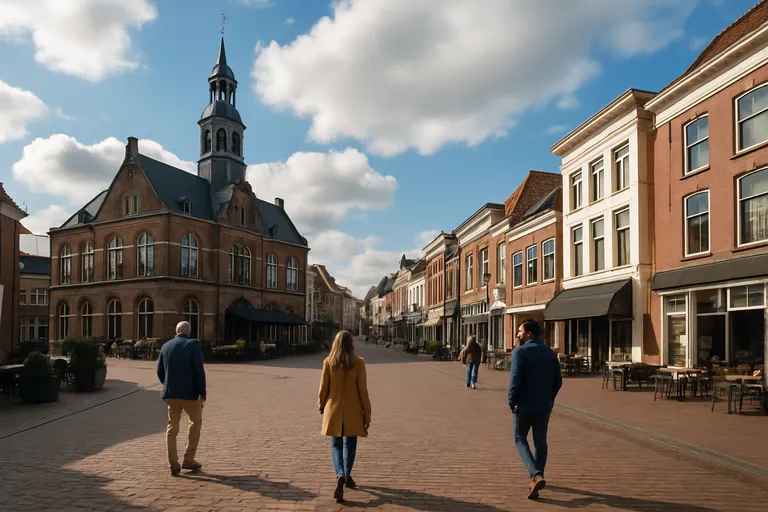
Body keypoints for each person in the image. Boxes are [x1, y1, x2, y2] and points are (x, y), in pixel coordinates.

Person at [508, 319, 562, 500]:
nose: (517, 335)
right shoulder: (549, 353)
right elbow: (558, 381)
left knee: (519, 439)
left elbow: (515, 379)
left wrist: (511, 400)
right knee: (541, 441)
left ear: (529, 333)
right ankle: (537, 480)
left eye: (520, 331)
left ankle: (535, 474)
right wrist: (550, 399)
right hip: (543, 405)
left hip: (523, 404)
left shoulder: (520, 352)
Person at [318, 330, 372, 503]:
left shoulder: (328, 362)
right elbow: (363, 391)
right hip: (353, 410)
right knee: (350, 444)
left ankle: (340, 474)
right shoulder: (358, 363)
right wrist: (367, 412)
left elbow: (323, 389)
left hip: (333, 410)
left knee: (336, 445)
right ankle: (347, 475)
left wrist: (321, 405)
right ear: (351, 344)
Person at [156, 321, 207, 476]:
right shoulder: (193, 344)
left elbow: (160, 371)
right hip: (190, 394)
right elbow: (198, 369)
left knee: (172, 426)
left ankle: (173, 462)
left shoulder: (166, 346)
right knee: (195, 423)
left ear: (176, 331)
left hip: (171, 393)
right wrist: (202, 391)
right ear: (189, 332)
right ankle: (189, 459)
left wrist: (168, 384)